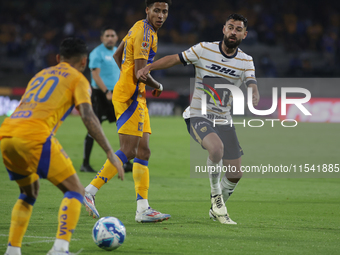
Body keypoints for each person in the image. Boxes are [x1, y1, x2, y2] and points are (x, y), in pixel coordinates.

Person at [0, 37, 124, 255]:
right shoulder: (78, 79)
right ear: (84, 62)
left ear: (58, 58)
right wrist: (108, 152)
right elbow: (88, 115)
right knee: (75, 191)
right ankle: (60, 249)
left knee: (29, 192)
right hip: (35, 135)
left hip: (7, 134)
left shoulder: (40, 74)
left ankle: (13, 250)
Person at [138, 13, 260, 224]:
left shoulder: (246, 60)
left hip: (223, 119)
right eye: (230, 27)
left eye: (238, 29)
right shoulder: (204, 49)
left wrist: (254, 92)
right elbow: (175, 59)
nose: (233, 32)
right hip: (198, 115)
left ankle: (215, 208)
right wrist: (150, 67)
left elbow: (251, 81)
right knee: (216, 149)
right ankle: (216, 198)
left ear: (244, 34)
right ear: (224, 29)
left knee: (235, 173)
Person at [83, 0, 172, 223]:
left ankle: (143, 209)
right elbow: (142, 72)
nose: (161, 15)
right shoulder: (145, 34)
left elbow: (117, 56)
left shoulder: (139, 26)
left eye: (164, 11)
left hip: (134, 93)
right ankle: (89, 191)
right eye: (157, 10)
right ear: (147, 10)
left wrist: (130, 79)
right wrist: (158, 86)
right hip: (131, 95)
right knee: (129, 150)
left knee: (143, 152)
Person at [80, 25, 133, 173]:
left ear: (117, 38)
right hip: (100, 95)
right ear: (102, 38)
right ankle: (85, 163)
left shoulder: (118, 52)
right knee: (93, 128)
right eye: (107, 36)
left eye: (112, 36)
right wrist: (106, 91)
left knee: (125, 127)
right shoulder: (97, 53)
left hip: (117, 94)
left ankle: (127, 162)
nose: (110, 38)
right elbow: (95, 75)